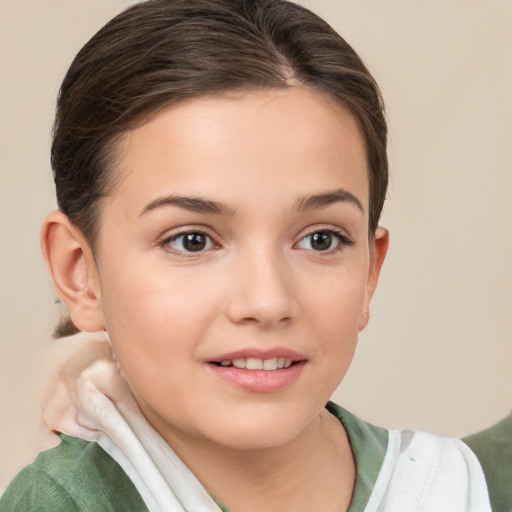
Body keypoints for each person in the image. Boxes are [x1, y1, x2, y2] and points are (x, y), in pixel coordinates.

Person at [0, 0, 506, 510]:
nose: (266, 301)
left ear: (370, 271)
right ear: (78, 271)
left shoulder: (471, 488)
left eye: (321, 239)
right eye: (192, 240)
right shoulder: (60, 501)